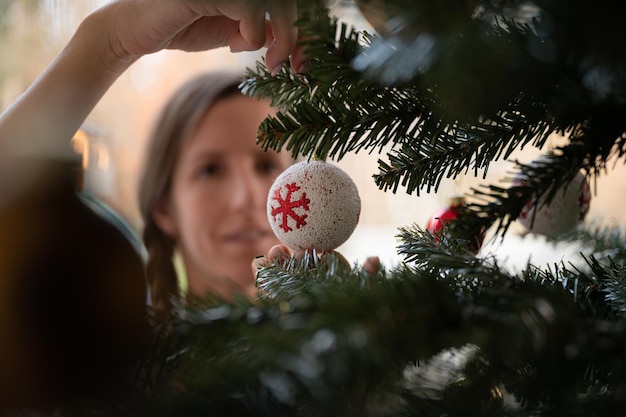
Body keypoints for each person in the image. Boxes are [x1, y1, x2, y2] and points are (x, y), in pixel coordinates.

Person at [138, 71, 296, 321]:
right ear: (164, 208)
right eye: (210, 170)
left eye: (267, 166)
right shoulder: (124, 352)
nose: (247, 197)